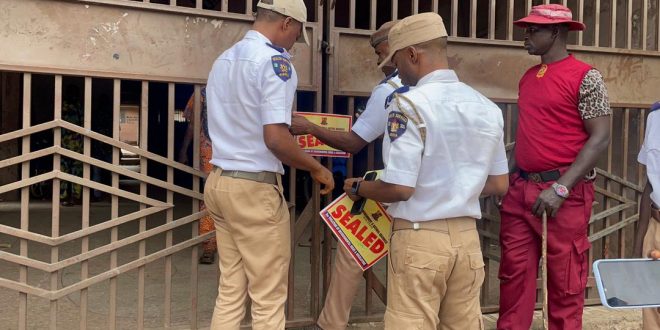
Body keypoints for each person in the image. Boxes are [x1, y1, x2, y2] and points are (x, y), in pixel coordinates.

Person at [342, 12, 509, 329]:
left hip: (420, 241)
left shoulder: (407, 105)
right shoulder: (487, 107)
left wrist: (359, 187)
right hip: (467, 242)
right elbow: (499, 183)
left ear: (412, 54)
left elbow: (400, 188)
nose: (395, 70)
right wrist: (457, 185)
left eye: (395, 61)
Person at [202, 0, 334, 329]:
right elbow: (275, 138)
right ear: (287, 23)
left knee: (231, 289)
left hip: (219, 181)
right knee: (268, 296)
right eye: (297, 35)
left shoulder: (223, 60)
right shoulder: (276, 63)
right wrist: (316, 168)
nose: (294, 44)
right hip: (253, 188)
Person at [497, 4, 611, 330]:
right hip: (522, 190)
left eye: (534, 30)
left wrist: (561, 188)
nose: (526, 36)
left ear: (557, 32)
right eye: (527, 29)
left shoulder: (587, 77)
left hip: (564, 192)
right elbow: (529, 134)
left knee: (564, 285)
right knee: (513, 279)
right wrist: (507, 181)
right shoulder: (529, 77)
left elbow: (600, 138)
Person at [288, 20, 401, 330]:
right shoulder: (456, 91)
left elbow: (353, 142)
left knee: (351, 250)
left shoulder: (390, 92)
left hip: (395, 189)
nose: (380, 62)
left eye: (382, 52)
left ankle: (330, 324)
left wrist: (310, 127)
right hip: (437, 195)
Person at [178, 87, 217, 264]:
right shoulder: (203, 92)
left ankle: (225, 244)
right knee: (211, 197)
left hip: (226, 151)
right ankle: (209, 245)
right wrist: (184, 149)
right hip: (211, 151)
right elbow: (194, 123)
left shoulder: (203, 92)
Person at [633, 101, 660, 330]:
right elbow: (649, 184)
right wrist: (639, 243)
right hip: (655, 224)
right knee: (651, 311)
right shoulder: (655, 117)